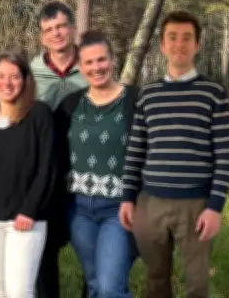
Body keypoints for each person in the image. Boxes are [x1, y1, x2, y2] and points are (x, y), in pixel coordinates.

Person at [119, 11, 229, 298]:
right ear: (162, 45)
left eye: (187, 38)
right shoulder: (148, 95)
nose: (179, 44)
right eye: (172, 37)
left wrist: (215, 207)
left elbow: (226, 154)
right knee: (155, 280)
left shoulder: (213, 93)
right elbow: (136, 150)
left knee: (197, 283)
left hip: (196, 205)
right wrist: (127, 197)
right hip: (150, 204)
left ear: (197, 45)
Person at [54, 30, 139, 298]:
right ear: (80, 66)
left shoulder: (136, 101)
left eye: (101, 60)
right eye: (89, 62)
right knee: (93, 284)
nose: (96, 67)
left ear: (113, 60)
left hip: (120, 209)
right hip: (79, 210)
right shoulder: (70, 105)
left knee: (109, 287)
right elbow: (52, 152)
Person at [0, 52, 57, 298]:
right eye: (1, 76)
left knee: (19, 292)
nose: (7, 83)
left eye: (14, 77)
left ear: (26, 80)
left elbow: (47, 167)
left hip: (25, 219)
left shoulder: (38, 114)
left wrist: (30, 210)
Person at [30, 1, 89, 298]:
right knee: (45, 252)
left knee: (91, 252)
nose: (56, 33)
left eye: (61, 26)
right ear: (42, 36)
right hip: (47, 176)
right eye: (49, 29)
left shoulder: (91, 67)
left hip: (87, 174)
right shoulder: (31, 73)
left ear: (73, 29)